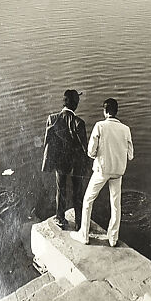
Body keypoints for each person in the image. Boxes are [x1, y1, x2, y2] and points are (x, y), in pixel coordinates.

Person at [70, 97, 133, 247]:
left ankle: (84, 235)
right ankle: (113, 238)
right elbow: (130, 155)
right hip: (118, 172)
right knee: (116, 204)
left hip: (102, 170)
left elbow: (91, 152)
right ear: (116, 112)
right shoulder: (126, 129)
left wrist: (99, 154)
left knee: (88, 201)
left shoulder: (99, 126)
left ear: (105, 112)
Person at [42, 89, 88, 230]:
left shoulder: (52, 119)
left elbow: (46, 143)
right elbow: (85, 148)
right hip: (75, 163)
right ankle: (79, 223)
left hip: (59, 162)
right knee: (77, 192)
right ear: (75, 105)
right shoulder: (79, 123)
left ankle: (60, 218)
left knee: (60, 190)